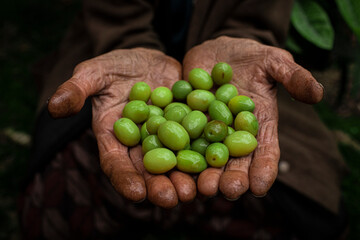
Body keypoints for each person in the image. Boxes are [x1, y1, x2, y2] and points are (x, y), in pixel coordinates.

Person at [19, 0, 349, 239]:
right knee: (61, 195)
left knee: (300, 208)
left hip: (230, 78)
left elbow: (258, 17)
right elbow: (112, 14)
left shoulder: (224, 103)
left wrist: (243, 40)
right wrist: (127, 44)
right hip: (122, 64)